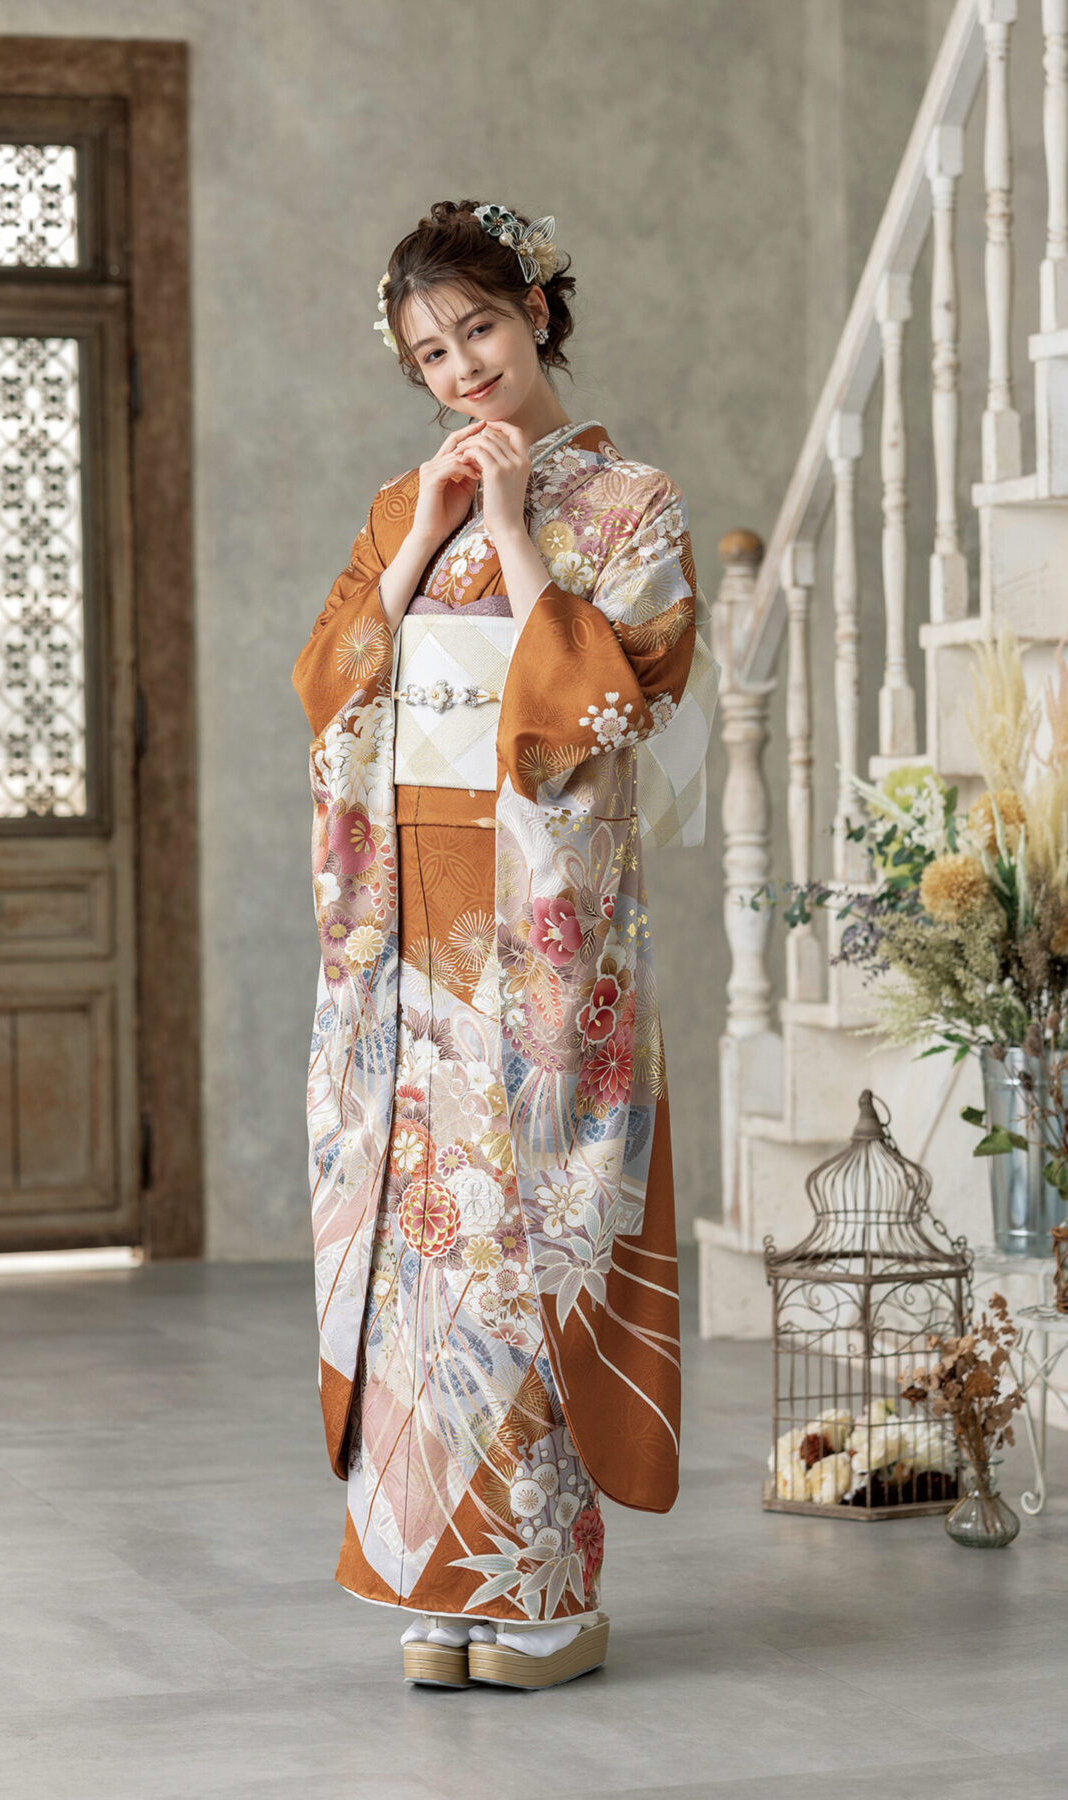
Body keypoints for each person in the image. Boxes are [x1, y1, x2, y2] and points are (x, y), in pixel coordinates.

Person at [292, 199, 710, 1690]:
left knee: (520, 1237)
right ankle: (431, 1589)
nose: (462, 366)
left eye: (478, 326)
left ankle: (535, 1596)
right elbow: (333, 688)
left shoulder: (633, 503)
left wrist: (520, 531)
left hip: (537, 938)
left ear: (535, 310)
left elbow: (608, 707)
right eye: (431, 352)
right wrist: (422, 538)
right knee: (418, 1244)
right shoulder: (397, 504)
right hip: (407, 926)